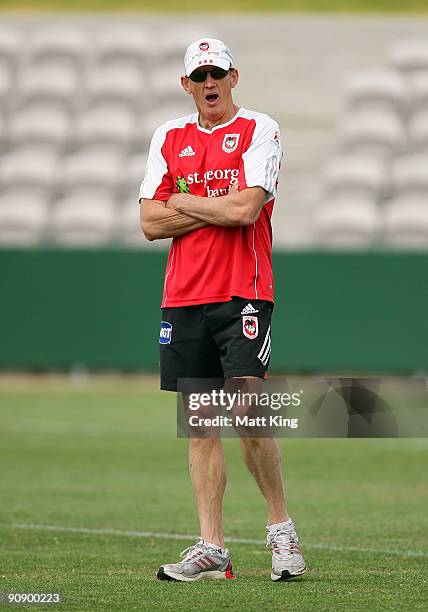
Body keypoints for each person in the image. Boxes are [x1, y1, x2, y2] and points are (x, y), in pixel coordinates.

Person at [139, 37, 307, 583]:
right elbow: (149, 222)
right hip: (183, 295)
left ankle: (281, 532)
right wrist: (207, 207)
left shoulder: (259, 128)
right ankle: (213, 548)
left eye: (218, 73)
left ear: (235, 76)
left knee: (248, 412)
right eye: (199, 75)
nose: (209, 83)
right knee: (201, 424)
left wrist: (183, 200)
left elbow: (246, 208)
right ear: (186, 84)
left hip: (243, 290)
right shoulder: (169, 135)